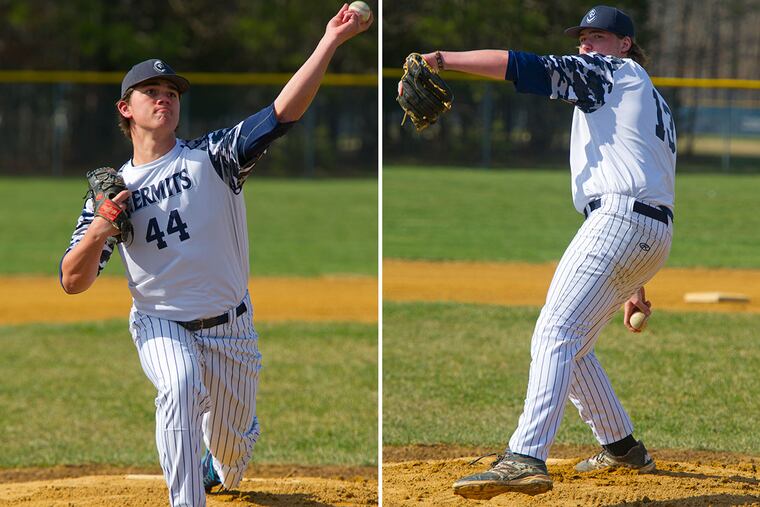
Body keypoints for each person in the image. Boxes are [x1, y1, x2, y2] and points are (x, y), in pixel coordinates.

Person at [59, 5, 372, 506]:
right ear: (126, 108)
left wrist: (330, 42)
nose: (165, 98)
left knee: (231, 460)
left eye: (172, 93)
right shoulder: (113, 194)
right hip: (161, 322)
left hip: (232, 327)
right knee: (180, 385)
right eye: (152, 93)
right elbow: (72, 281)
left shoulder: (213, 157)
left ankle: (217, 457)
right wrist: (101, 225)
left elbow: (281, 114)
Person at [412, 5, 676, 500]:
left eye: (598, 37)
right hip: (647, 232)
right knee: (571, 343)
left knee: (554, 332)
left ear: (624, 44)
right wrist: (637, 280)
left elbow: (524, 66)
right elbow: (649, 179)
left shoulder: (611, 72)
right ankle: (622, 447)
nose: (586, 45)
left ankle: (524, 457)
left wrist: (443, 59)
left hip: (618, 220)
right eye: (583, 38)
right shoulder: (647, 98)